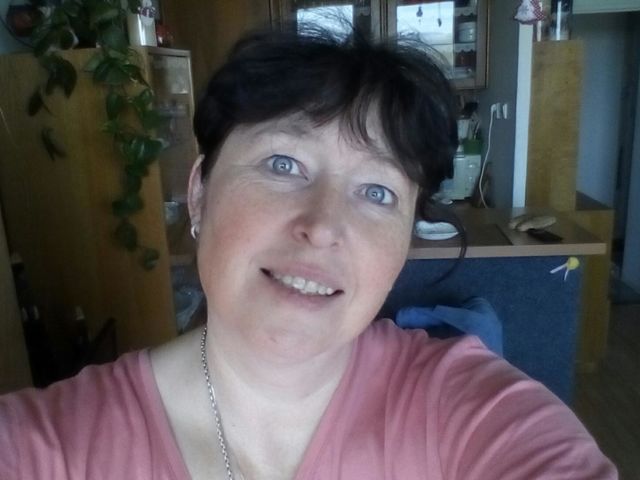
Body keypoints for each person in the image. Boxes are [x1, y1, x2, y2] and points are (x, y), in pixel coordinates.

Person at [0, 26, 616, 479]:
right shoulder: (46, 447)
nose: (323, 227)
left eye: (377, 191)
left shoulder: (469, 410)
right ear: (199, 194)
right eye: (283, 163)